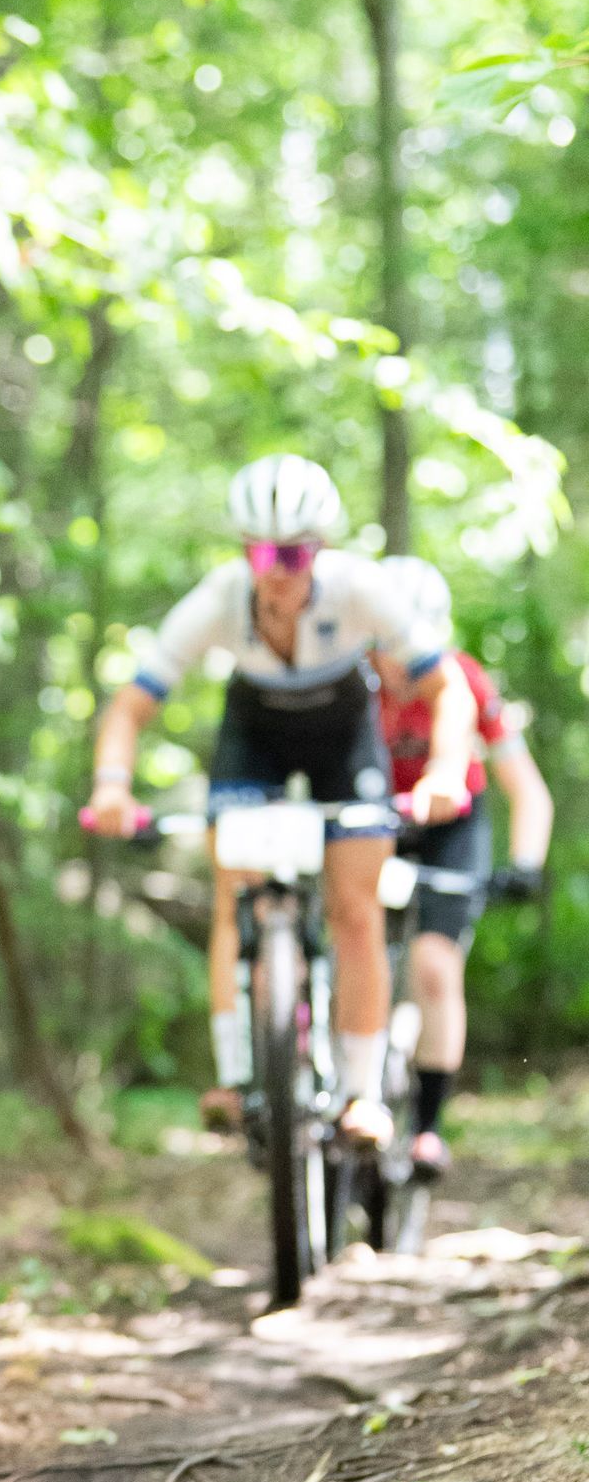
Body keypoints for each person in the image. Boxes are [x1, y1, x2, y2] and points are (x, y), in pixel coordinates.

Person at [88, 454, 474, 1146]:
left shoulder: (362, 588)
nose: (279, 568)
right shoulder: (219, 599)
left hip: (344, 737)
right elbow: (130, 705)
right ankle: (239, 1078)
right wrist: (112, 786)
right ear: (245, 549)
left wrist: (445, 771)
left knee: (356, 908)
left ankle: (361, 1093)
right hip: (254, 735)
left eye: (295, 552)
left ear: (320, 548)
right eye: (264, 550)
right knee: (235, 897)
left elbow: (447, 685)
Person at [373, 557, 553, 1177]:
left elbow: (527, 789)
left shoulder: (465, 683)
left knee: (433, 964)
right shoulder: (351, 684)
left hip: (454, 829)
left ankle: (427, 1128)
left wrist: (525, 864)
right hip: (375, 824)